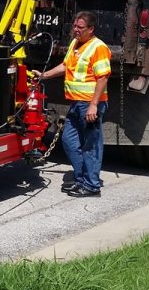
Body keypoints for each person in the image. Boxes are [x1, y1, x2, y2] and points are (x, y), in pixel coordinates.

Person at [32, 11, 112, 197]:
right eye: (74, 26)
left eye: (80, 27)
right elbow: (65, 66)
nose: (75, 30)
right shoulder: (76, 44)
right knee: (68, 140)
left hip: (90, 105)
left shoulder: (98, 47)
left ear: (91, 29)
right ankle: (80, 179)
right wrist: (44, 75)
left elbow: (103, 78)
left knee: (91, 146)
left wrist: (93, 105)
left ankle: (92, 186)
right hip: (76, 104)